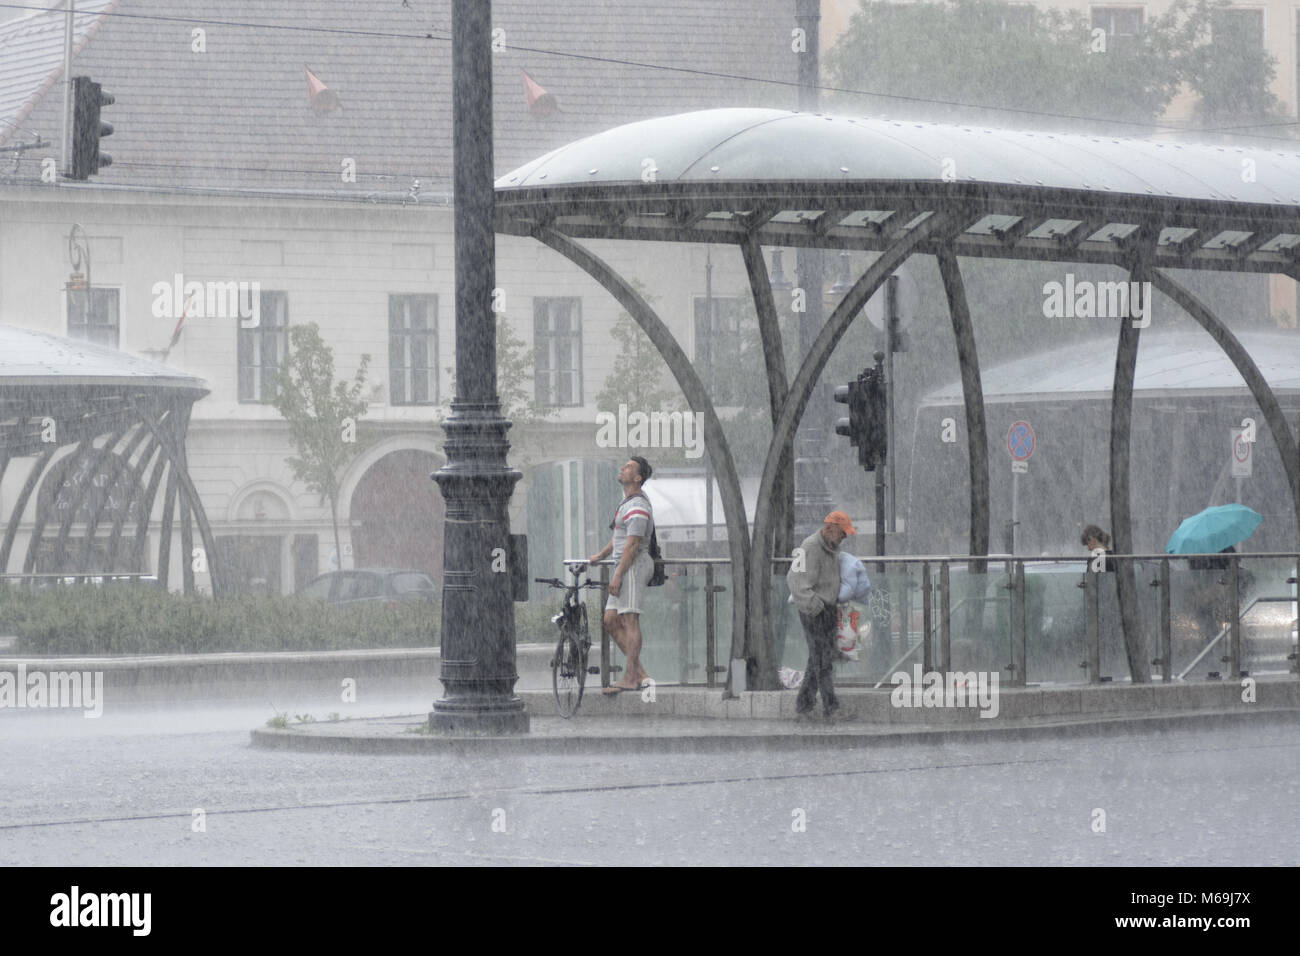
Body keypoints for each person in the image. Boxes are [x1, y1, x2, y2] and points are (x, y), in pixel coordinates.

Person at [587, 456, 656, 694]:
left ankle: (629, 678)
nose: (622, 469)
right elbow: (619, 538)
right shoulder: (626, 502)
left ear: (637, 478)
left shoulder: (638, 505)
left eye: (628, 467)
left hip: (633, 566)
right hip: (624, 565)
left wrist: (617, 575)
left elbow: (633, 545)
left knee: (629, 620)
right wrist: (601, 554)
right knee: (610, 620)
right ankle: (640, 674)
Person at [787, 510, 855, 722]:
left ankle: (804, 707)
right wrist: (813, 603)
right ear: (830, 528)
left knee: (818, 659)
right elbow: (794, 579)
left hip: (827, 608)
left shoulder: (831, 548)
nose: (844, 537)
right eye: (842, 533)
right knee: (823, 659)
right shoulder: (810, 547)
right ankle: (831, 708)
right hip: (813, 610)